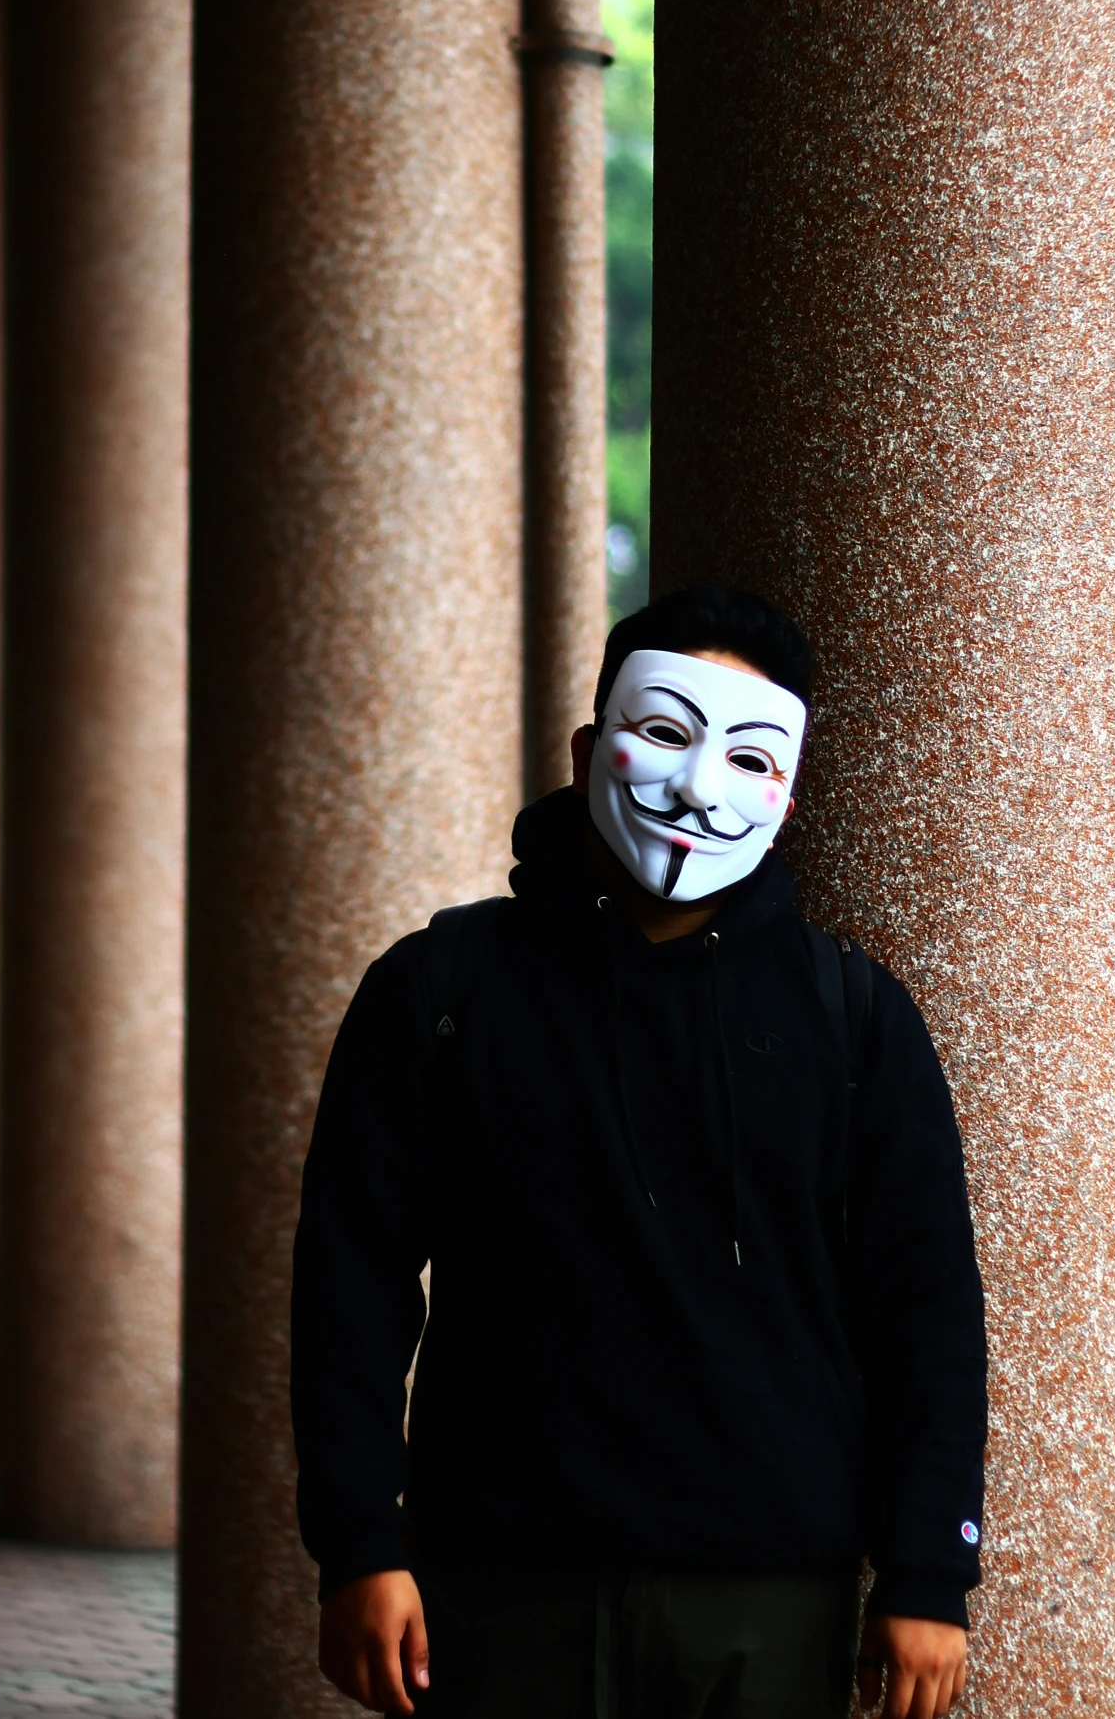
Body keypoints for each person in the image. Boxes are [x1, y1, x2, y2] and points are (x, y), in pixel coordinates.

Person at [291, 583, 988, 1719]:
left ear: (791, 792)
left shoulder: (854, 1019)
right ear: (586, 747)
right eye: (663, 732)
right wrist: (360, 1544)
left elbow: (926, 1313)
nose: (698, 786)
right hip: (498, 1590)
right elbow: (350, 1285)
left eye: (750, 758)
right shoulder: (438, 993)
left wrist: (928, 1571)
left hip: (768, 1604)